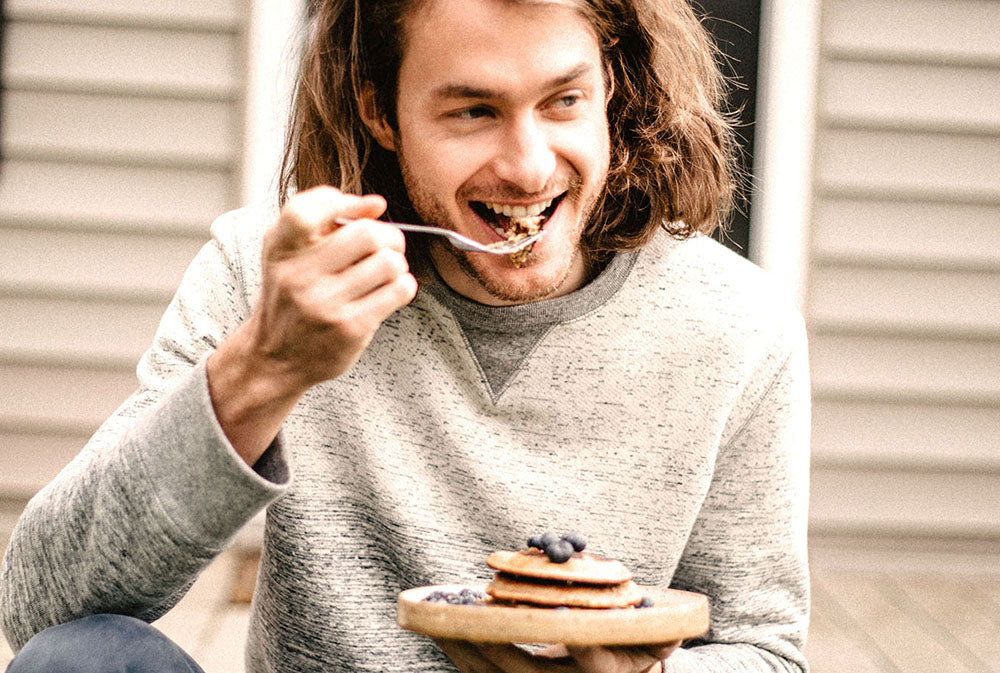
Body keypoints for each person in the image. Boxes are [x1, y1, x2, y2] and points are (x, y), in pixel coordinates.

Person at [0, 0, 811, 671]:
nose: (529, 167)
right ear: (377, 109)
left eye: (564, 100)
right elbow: (42, 607)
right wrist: (261, 369)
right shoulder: (271, 280)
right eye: (473, 110)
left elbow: (766, 646)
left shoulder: (737, 325)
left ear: (614, 85)